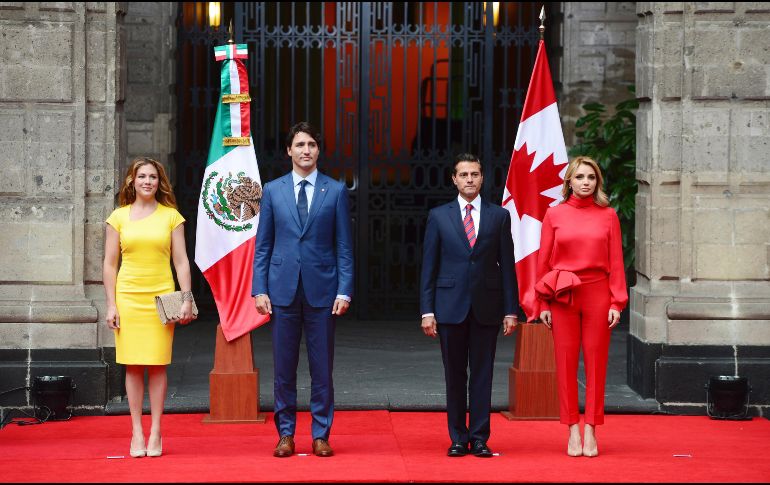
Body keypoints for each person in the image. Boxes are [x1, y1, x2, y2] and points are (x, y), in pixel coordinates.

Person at [252, 121, 354, 458]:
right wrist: (259, 289)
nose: (306, 150)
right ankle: (285, 434)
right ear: (289, 151)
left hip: (323, 292)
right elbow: (263, 246)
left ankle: (321, 434)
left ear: (318, 150)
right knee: (283, 367)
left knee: (322, 367)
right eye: (299, 145)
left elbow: (344, 248)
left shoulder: (335, 191)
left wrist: (344, 290)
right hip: (281, 291)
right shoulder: (273, 190)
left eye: (311, 144)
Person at [420, 153, 519, 458]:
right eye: (463, 175)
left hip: (487, 307)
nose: (470, 180)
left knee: (483, 374)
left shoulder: (499, 216)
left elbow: (507, 266)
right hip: (449, 306)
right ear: (454, 178)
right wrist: (427, 310)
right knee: (454, 375)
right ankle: (457, 438)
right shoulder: (439, 216)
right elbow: (429, 266)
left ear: (482, 177)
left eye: (475, 174)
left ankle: (479, 438)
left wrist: (511, 309)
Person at [536, 155, 628, 458]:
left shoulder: (609, 215)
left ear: (597, 181)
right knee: (564, 363)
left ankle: (591, 429)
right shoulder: (554, 214)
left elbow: (616, 262)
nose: (585, 182)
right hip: (563, 296)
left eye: (591, 177)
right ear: (569, 182)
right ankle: (571, 429)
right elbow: (544, 262)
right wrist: (543, 301)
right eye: (579, 177)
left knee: (596, 363)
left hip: (598, 293)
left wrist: (617, 301)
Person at [103, 157, 194, 458]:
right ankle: (136, 432)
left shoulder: (171, 217)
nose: (147, 181)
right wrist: (111, 305)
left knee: (156, 364)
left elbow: (181, 261)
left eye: (153, 177)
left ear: (159, 182)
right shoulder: (118, 217)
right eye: (141, 176)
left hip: (161, 297)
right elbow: (109, 264)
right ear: (131, 180)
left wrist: (186, 297)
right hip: (128, 297)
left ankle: (156, 431)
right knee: (132, 365)